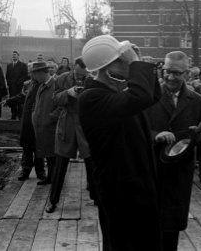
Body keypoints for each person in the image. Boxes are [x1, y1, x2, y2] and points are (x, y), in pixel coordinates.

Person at [79, 35, 162, 251]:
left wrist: (139, 61)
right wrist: (136, 64)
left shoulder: (111, 94)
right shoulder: (92, 98)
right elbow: (140, 97)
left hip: (135, 183)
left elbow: (151, 95)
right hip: (121, 189)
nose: (128, 65)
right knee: (124, 244)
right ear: (108, 69)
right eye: (122, 61)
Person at [146, 51, 201, 251]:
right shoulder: (148, 97)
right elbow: (136, 130)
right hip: (152, 169)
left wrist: (196, 137)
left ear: (187, 74)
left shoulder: (200, 102)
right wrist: (155, 135)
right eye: (167, 71)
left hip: (179, 173)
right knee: (148, 225)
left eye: (176, 73)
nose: (170, 77)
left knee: (172, 226)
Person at [45, 57, 95, 213]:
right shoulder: (62, 78)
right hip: (67, 122)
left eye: (86, 73)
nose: (83, 76)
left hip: (86, 122)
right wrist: (68, 93)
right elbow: (55, 99)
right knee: (61, 162)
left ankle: (97, 197)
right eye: (81, 73)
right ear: (76, 67)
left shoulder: (92, 80)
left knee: (91, 160)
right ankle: (53, 201)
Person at [5, 63, 46, 181]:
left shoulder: (43, 86)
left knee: (38, 147)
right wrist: (9, 101)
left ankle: (40, 171)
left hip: (37, 121)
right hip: (27, 120)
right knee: (27, 147)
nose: (30, 74)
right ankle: (26, 170)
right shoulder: (30, 85)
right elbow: (22, 96)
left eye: (32, 72)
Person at [31, 61, 58, 185]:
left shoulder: (56, 85)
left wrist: (50, 118)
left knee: (53, 154)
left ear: (42, 73)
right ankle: (51, 177)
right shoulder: (41, 86)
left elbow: (63, 106)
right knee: (47, 153)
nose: (34, 77)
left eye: (35, 74)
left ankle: (55, 178)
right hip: (41, 127)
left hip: (51, 127)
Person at [5, 50, 28, 120]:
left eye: (15, 54)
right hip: (11, 87)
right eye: (13, 54)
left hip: (19, 86)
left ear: (18, 56)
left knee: (19, 101)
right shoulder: (9, 65)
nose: (13, 56)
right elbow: (7, 76)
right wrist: (9, 83)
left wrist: (19, 82)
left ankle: (20, 116)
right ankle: (13, 115)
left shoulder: (23, 65)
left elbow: (25, 75)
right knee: (12, 101)